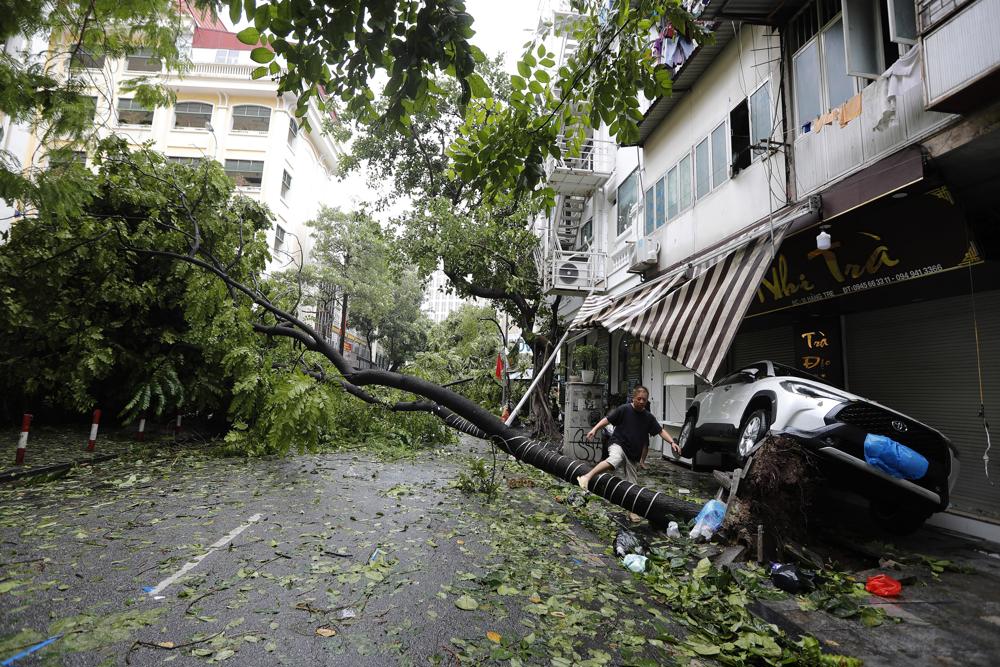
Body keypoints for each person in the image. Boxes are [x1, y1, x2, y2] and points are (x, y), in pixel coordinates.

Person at [578, 386, 681, 522]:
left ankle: (632, 511)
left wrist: (672, 443)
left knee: (633, 485)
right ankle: (586, 477)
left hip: (633, 454)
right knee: (615, 458)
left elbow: (660, 431)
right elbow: (607, 419)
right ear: (634, 398)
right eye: (639, 399)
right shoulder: (624, 409)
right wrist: (595, 429)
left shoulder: (648, 417)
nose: (641, 402)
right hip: (618, 444)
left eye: (644, 400)